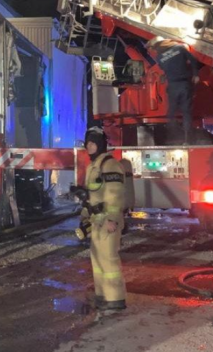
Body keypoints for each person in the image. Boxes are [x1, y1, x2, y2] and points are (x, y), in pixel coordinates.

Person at [82, 126, 127, 310]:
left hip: (107, 220)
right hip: (96, 221)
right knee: (98, 259)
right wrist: (84, 216)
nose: (89, 146)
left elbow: (115, 194)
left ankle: (115, 299)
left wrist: (112, 219)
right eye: (88, 143)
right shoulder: (93, 166)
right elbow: (91, 196)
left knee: (109, 259)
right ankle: (102, 295)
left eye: (93, 143)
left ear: (101, 144)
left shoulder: (110, 165)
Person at [149, 37, 200, 144]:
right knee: (186, 112)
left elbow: (166, 69)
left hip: (172, 86)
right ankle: (188, 139)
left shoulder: (159, 57)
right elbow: (193, 60)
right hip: (185, 84)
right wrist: (195, 74)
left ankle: (174, 136)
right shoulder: (180, 48)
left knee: (171, 112)